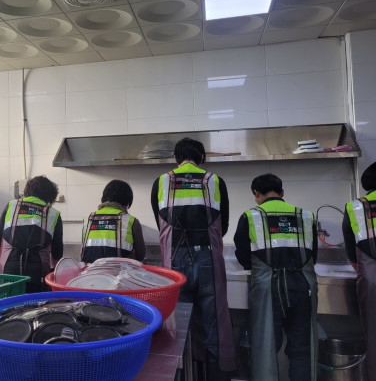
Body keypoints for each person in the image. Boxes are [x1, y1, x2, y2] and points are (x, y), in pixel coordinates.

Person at [151, 137, 235, 380]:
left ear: (176, 158)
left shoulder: (161, 181)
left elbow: (160, 222)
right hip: (208, 258)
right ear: (202, 158)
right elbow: (223, 225)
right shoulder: (215, 180)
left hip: (174, 263)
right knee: (215, 325)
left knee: (176, 329)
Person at [234, 173, 318, 381]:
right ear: (282, 192)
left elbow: (243, 254)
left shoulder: (250, 216)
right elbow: (313, 255)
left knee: (266, 349)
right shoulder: (306, 216)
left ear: (256, 193)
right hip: (302, 288)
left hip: (268, 289)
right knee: (302, 350)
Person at [0, 175, 63, 293]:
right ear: (51, 196)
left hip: (8, 272)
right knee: (34, 304)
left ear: (28, 191)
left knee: (9, 303)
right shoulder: (53, 214)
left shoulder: (12, 206)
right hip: (37, 276)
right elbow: (57, 253)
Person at [342, 161, 376, 380]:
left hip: (371, 279)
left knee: (373, 335)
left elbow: (350, 248)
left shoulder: (356, 207)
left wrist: (360, 266)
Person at [81, 179, 146, 263]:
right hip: (120, 271)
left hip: (90, 271)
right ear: (127, 202)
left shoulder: (88, 220)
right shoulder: (131, 221)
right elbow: (140, 256)